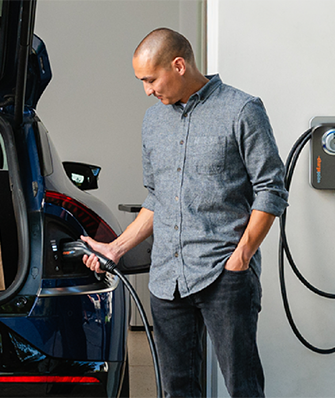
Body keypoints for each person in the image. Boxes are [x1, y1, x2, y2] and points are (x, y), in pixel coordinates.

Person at [81, 27, 288, 398]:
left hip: (223, 274)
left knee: (242, 386)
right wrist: (115, 248)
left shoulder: (242, 109)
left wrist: (241, 257)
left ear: (178, 65)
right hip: (167, 278)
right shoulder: (153, 121)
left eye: (150, 79)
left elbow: (271, 189)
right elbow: (156, 198)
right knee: (177, 388)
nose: (147, 90)